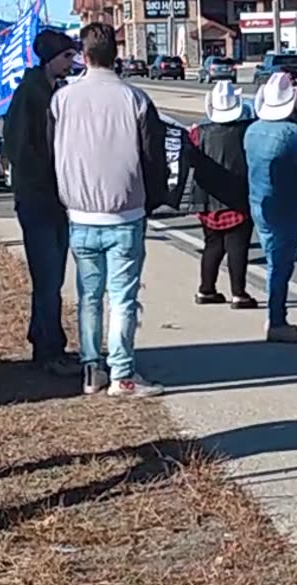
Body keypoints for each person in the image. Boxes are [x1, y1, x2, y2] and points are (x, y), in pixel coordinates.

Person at [50, 22, 169, 397]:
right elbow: (154, 158)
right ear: (116, 55)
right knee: (122, 297)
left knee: (89, 295)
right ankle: (123, 374)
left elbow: (53, 148)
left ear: (82, 56)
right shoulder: (135, 99)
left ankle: (91, 369)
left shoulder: (61, 99)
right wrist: (151, 200)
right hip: (124, 213)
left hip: (79, 212)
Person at [5, 29, 80, 377]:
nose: (71, 63)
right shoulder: (30, 96)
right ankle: (50, 350)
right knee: (48, 278)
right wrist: (50, 179)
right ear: (50, 58)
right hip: (38, 200)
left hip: (55, 199)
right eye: (66, 57)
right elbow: (21, 151)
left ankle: (45, 338)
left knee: (53, 278)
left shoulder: (53, 91)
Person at [244, 71, 297, 343]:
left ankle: (276, 315)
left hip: (259, 201)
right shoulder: (292, 134)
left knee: (273, 259)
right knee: (280, 264)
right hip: (285, 205)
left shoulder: (252, 130)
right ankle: (277, 320)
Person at [188, 80, 257, 309]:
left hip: (207, 200)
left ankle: (206, 289)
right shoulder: (246, 131)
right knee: (237, 246)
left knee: (212, 245)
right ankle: (239, 294)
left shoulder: (198, 133)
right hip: (238, 197)